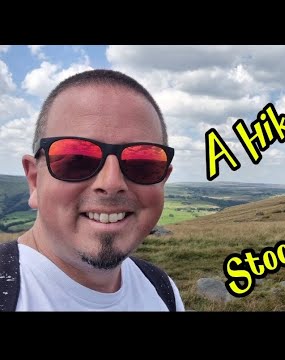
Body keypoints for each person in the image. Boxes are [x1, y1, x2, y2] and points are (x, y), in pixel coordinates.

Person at [1, 69, 185, 311]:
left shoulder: (163, 290)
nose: (110, 184)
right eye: (77, 158)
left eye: (142, 163)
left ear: (162, 180)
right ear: (34, 180)